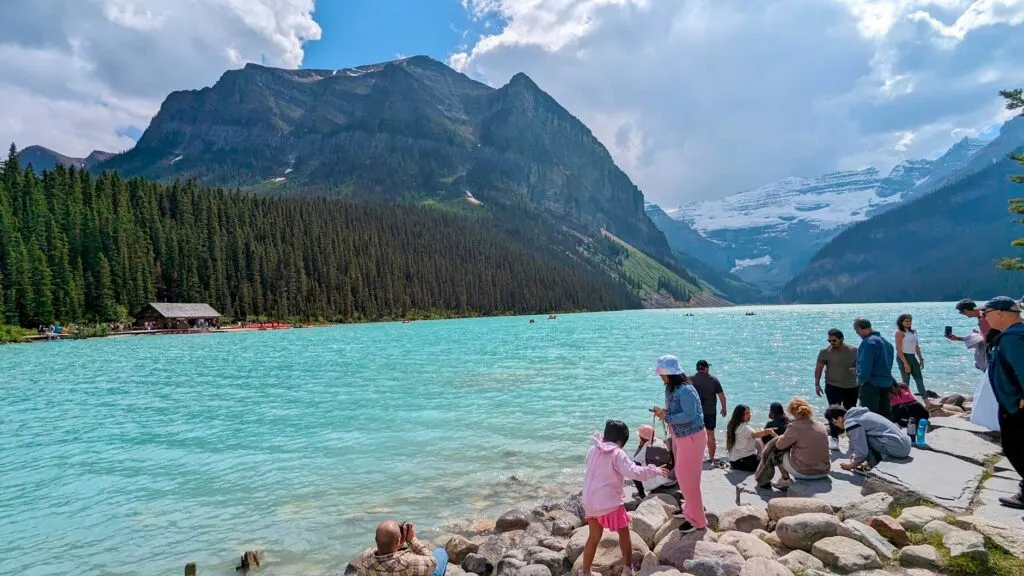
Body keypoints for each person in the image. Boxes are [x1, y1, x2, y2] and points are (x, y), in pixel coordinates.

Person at [581, 420, 668, 576]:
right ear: (621, 441)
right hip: (608, 503)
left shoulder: (593, 450)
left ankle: (585, 571)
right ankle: (628, 568)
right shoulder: (617, 453)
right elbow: (634, 472)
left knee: (593, 537)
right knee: (624, 533)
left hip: (589, 501)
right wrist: (654, 470)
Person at [651, 355, 709, 534]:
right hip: (681, 436)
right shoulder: (672, 388)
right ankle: (690, 510)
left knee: (687, 478)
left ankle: (698, 520)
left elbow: (690, 415)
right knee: (685, 477)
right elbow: (677, 411)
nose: (660, 376)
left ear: (670, 373)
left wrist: (666, 416)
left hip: (692, 438)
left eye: (662, 373)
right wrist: (664, 412)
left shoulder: (685, 390)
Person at [981, 296, 1024, 509]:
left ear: (999, 313)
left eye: (985, 313)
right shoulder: (1012, 335)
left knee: (1014, 446)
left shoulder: (1012, 338)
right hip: (1013, 402)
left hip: (1016, 405)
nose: (984, 317)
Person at [825, 405, 911, 472]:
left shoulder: (850, 423)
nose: (836, 425)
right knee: (864, 435)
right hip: (906, 443)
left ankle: (870, 465)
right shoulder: (860, 414)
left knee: (864, 438)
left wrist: (851, 465)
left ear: (840, 418)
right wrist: (857, 454)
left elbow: (863, 452)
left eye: (835, 422)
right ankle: (875, 459)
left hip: (900, 449)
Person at [770, 397, 831, 488]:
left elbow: (779, 445)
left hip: (805, 473)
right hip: (824, 471)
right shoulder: (821, 425)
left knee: (775, 451)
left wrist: (776, 436)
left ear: (792, 411)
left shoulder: (794, 426)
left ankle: (785, 480)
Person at [815, 328, 860, 450]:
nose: (831, 343)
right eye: (829, 340)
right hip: (832, 386)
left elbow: (861, 366)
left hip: (851, 386)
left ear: (841, 339)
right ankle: (834, 438)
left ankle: (852, 436)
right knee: (833, 413)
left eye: (834, 340)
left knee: (850, 412)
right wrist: (817, 384)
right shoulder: (825, 351)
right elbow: (819, 367)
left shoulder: (854, 350)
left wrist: (856, 370)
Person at [355, 521, 447, 576]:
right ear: (398, 541)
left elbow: (382, 547)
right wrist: (411, 540)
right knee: (441, 552)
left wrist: (397, 543)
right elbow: (433, 562)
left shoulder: (364, 558)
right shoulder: (408, 562)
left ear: (375, 540)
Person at [853, 318, 896, 421]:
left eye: (856, 329)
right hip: (886, 383)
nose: (856, 332)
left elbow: (865, 365)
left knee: (869, 417)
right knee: (885, 414)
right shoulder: (887, 343)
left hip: (872, 385)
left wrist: (861, 382)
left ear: (860, 328)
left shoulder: (868, 342)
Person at [689, 360, 727, 462]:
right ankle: (711, 458)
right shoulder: (713, 379)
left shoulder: (690, 379)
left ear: (697, 368)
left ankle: (696, 457)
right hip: (710, 412)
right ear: (705, 368)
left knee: (694, 435)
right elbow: (721, 395)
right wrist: (724, 408)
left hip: (695, 412)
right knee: (710, 435)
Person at [725, 405, 777, 472]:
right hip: (741, 461)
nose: (749, 415)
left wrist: (764, 431)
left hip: (734, 460)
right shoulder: (745, 428)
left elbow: (752, 434)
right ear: (740, 415)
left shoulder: (733, 424)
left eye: (749, 413)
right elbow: (755, 434)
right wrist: (768, 431)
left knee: (762, 458)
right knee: (768, 465)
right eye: (746, 413)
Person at [631, 424, 672, 498]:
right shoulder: (660, 441)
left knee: (634, 469)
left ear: (641, 438)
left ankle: (641, 494)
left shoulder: (646, 448)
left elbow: (634, 463)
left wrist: (640, 446)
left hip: (657, 480)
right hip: (667, 477)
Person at [895, 314, 927, 397]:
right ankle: (905, 400)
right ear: (901, 322)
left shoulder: (914, 331)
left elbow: (916, 347)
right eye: (906, 321)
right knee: (906, 381)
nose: (908, 323)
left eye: (909, 321)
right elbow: (898, 349)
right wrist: (905, 363)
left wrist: (921, 359)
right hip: (903, 357)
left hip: (912, 357)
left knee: (919, 379)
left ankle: (927, 403)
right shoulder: (899, 333)